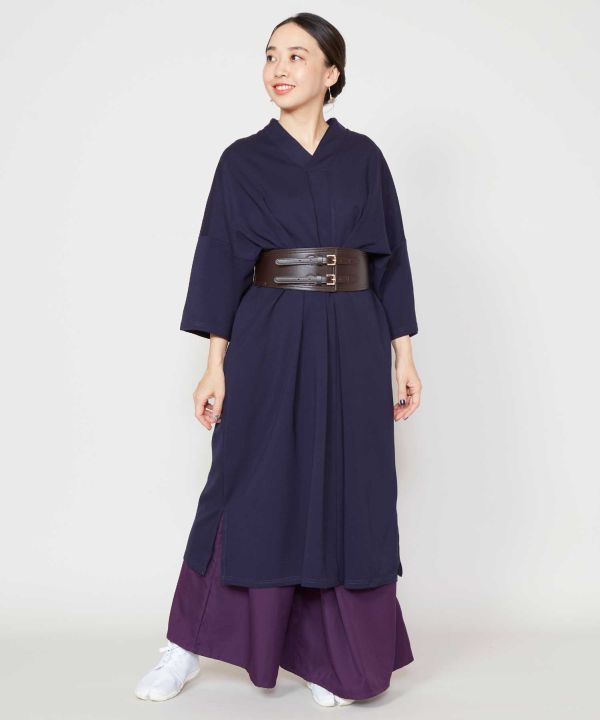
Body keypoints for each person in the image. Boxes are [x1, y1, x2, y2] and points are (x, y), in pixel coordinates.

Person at [135, 11, 422, 707]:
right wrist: (214, 365)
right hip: (269, 333)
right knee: (246, 485)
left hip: (354, 338)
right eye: (270, 55)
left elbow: (391, 262)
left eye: (297, 55)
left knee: (346, 488)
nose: (279, 68)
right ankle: (184, 646)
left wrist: (404, 355)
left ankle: (330, 656)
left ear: (332, 71)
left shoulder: (365, 158)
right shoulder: (242, 160)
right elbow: (219, 263)